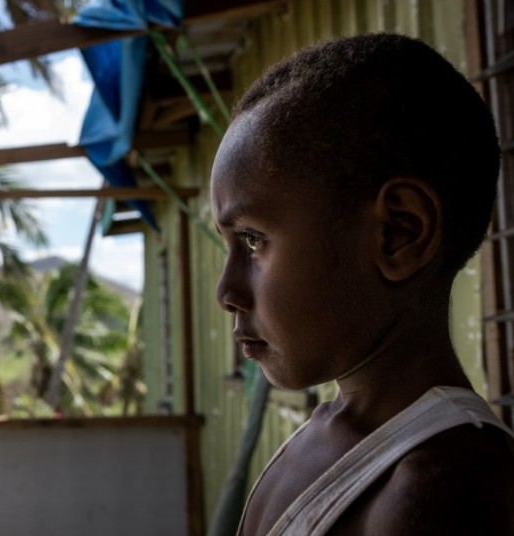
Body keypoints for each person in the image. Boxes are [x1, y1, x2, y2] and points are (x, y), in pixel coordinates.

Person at [209, 33, 514, 535]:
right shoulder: (326, 432)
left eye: (253, 240)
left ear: (399, 234)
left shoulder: (438, 487)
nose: (226, 292)